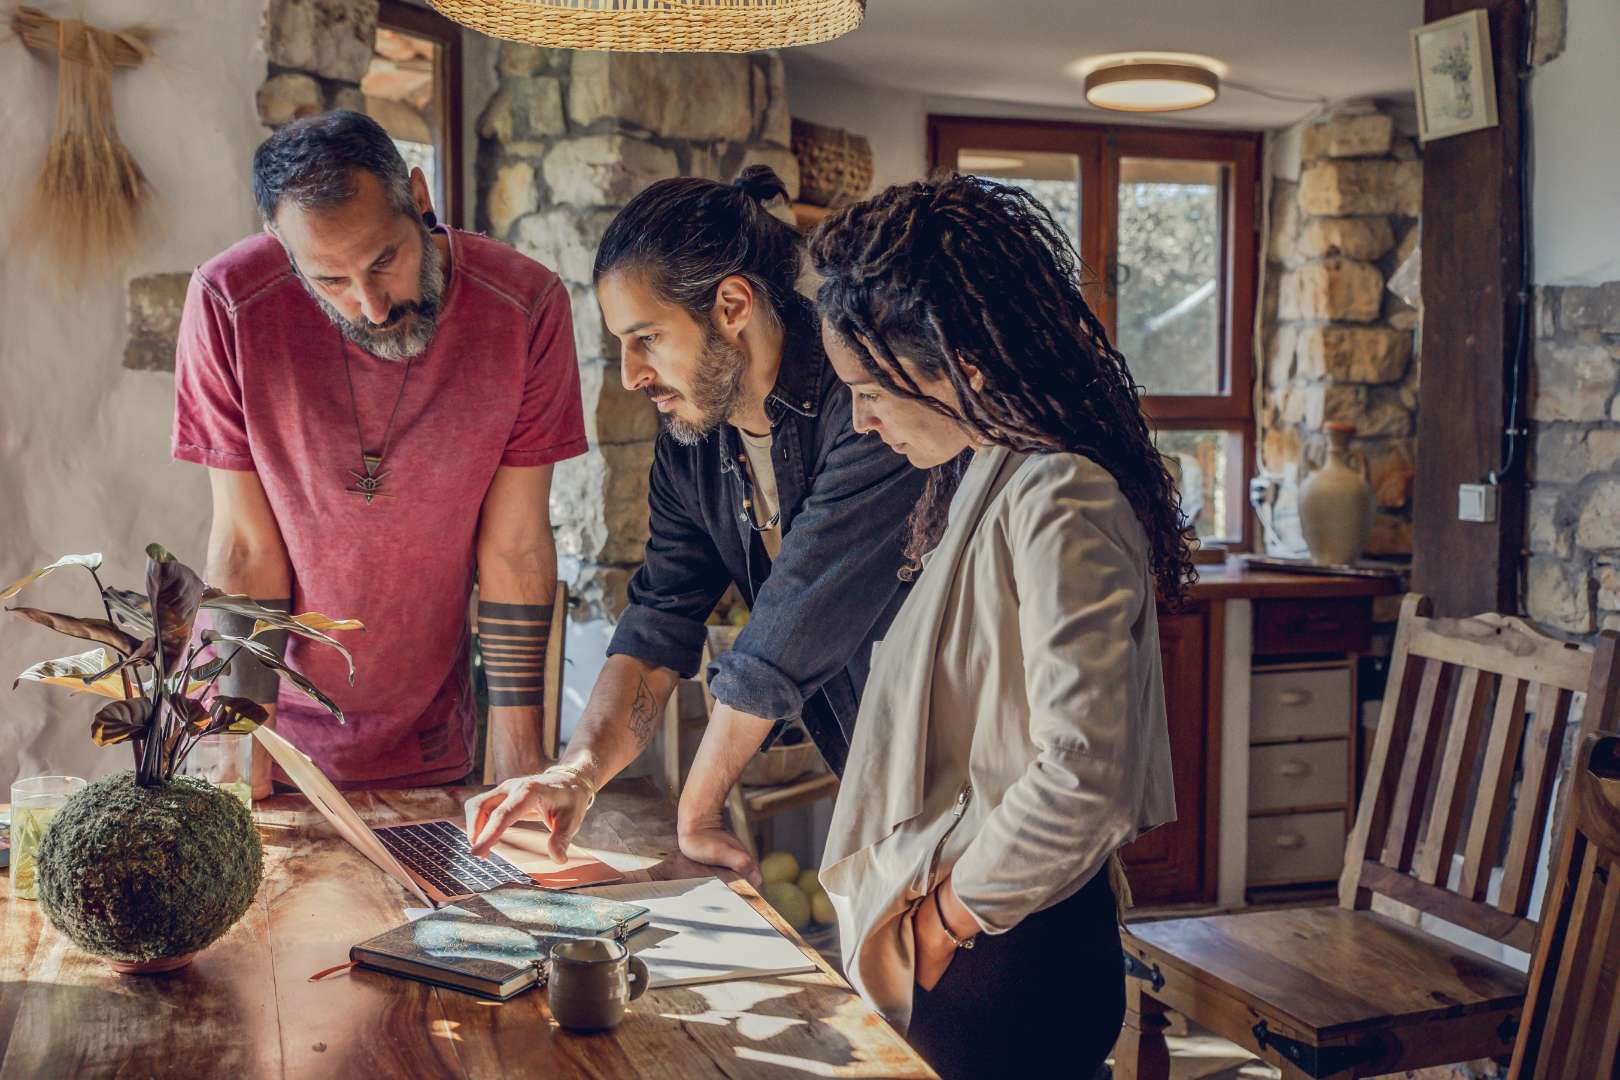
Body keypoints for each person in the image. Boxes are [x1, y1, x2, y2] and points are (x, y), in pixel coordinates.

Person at [809, 174, 1191, 1079]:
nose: (862, 422)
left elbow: (1084, 770)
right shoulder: (989, 472)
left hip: (1018, 961)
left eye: (870, 391)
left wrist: (947, 919)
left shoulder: (1062, 494)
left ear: (965, 369)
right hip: (995, 949)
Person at [464, 168, 926, 877]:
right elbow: (660, 621)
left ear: (732, 304)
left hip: (987, 785)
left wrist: (698, 807)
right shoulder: (695, 439)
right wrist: (578, 773)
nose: (630, 374)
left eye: (646, 337)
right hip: (881, 783)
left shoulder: (863, 405)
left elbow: (788, 626)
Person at [172, 110, 585, 792]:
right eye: (329, 280)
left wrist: (519, 755)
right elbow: (246, 548)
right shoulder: (230, 304)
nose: (369, 305)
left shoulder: (524, 306)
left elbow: (514, 547)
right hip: (268, 729)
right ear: (281, 246)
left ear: (419, 199)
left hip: (426, 737)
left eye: (384, 260)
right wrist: (244, 742)